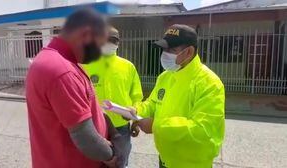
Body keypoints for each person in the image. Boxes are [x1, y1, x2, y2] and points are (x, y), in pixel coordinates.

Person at [26, 9, 128, 168]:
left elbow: (89, 108)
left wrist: (113, 132)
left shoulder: (60, 62)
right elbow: (86, 138)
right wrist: (113, 156)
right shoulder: (62, 71)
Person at [131, 24, 225, 168]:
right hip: (165, 159)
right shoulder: (165, 77)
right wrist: (136, 111)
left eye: (172, 50)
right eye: (164, 49)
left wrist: (156, 126)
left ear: (188, 52)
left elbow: (202, 130)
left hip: (192, 163)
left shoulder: (209, 83)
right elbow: (152, 104)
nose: (165, 54)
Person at [82, 26, 143, 165]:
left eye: (113, 41)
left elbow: (137, 97)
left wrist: (136, 120)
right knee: (95, 163)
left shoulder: (128, 67)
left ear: (118, 43)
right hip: (94, 126)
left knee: (119, 163)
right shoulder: (86, 65)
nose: (109, 43)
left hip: (121, 127)